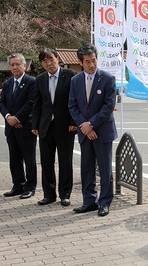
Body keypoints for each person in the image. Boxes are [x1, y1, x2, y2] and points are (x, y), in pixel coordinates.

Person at [68, 44, 117, 217]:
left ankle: (104, 202)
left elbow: (108, 106)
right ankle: (89, 201)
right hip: (85, 132)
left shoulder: (108, 78)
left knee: (104, 169)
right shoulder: (75, 80)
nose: (91, 65)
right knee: (86, 168)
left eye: (94, 60)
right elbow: (72, 106)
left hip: (102, 131)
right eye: (87, 61)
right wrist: (84, 125)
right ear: (80, 62)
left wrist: (92, 124)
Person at [32, 48, 77, 207]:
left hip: (65, 126)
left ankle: (65, 194)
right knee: (46, 161)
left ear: (58, 59)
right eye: (44, 61)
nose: (48, 63)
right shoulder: (40, 79)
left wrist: (74, 122)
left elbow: (75, 101)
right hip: (45, 126)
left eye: (51, 59)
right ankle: (49, 195)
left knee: (65, 161)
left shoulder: (70, 75)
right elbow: (37, 104)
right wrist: (35, 124)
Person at [0, 53, 37, 199]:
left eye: (17, 64)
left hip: (25, 126)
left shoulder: (31, 81)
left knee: (29, 159)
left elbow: (31, 102)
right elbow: (2, 103)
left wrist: (17, 117)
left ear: (24, 65)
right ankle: (18, 185)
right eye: (12, 65)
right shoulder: (8, 83)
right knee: (14, 159)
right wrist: (9, 117)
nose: (15, 67)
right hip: (11, 127)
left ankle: (30, 186)